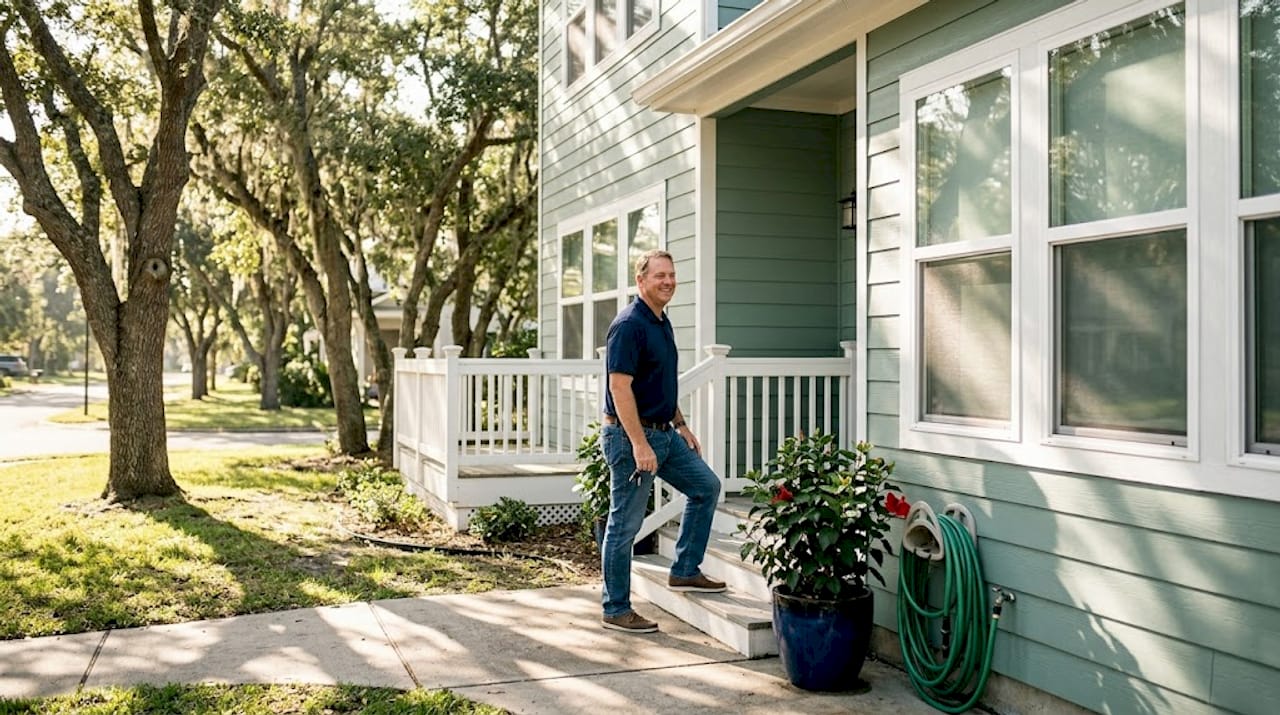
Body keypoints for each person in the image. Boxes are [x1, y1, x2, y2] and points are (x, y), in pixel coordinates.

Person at [598, 248, 726, 634]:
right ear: (641, 281)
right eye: (660, 276)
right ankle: (616, 608)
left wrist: (681, 423)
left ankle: (685, 569)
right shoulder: (629, 325)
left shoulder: (661, 322)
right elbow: (620, 388)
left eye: (672, 275)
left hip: (665, 434)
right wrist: (639, 444)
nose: (668, 281)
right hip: (630, 437)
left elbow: (660, 382)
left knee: (706, 487)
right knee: (625, 524)